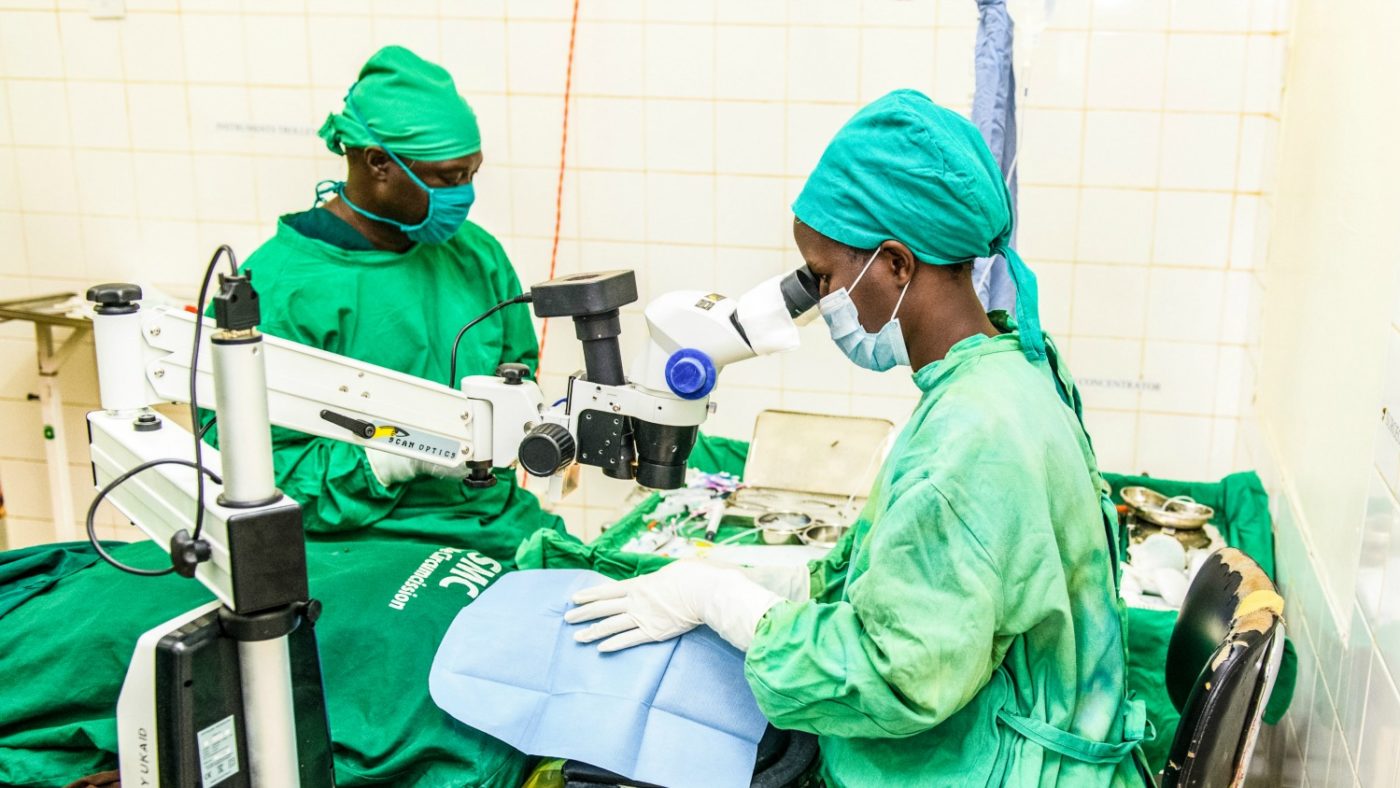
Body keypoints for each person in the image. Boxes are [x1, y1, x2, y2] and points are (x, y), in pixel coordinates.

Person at [564, 90, 1149, 786]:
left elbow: (893, 676)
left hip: (999, 764)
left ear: (898, 265)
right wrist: (767, 582)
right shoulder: (1011, 364)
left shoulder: (969, 436)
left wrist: (717, 601)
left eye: (825, 278)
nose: (821, 301)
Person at [205, 45, 563, 562]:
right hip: (357, 548)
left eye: (472, 174)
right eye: (447, 177)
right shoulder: (281, 289)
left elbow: (517, 368)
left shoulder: (475, 253)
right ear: (378, 163)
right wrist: (389, 460)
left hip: (489, 521)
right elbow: (246, 470)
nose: (464, 195)